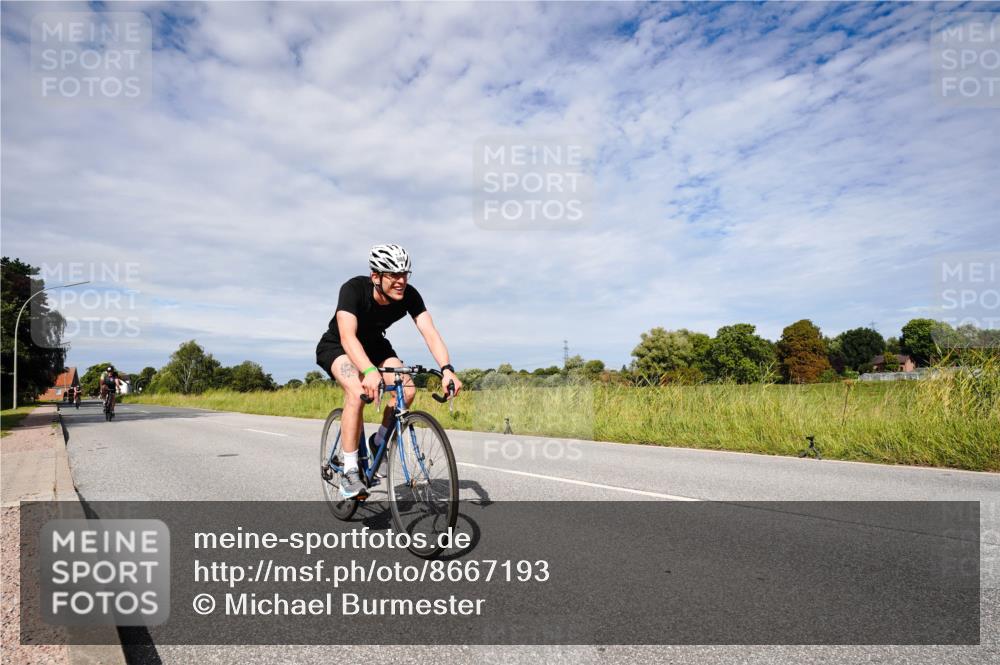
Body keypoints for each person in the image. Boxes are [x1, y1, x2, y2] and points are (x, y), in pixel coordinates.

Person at [316, 243, 462, 498]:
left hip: (375, 346)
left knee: (407, 389)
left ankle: (378, 442)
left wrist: (447, 369)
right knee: (357, 392)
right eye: (393, 275)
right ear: (376, 276)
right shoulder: (353, 289)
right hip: (338, 345)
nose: (401, 281)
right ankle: (350, 471)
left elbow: (429, 332)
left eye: (404, 274)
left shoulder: (410, 295)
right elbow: (348, 336)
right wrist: (369, 371)